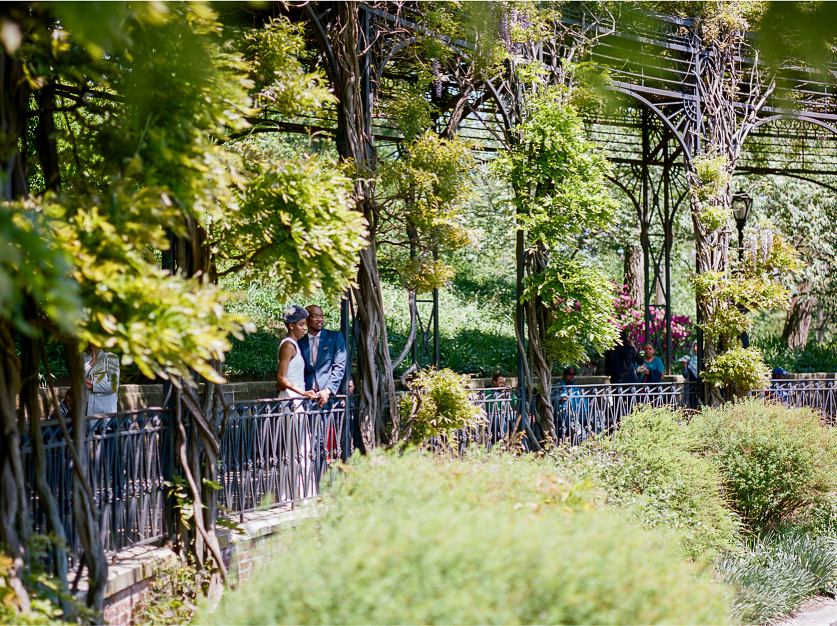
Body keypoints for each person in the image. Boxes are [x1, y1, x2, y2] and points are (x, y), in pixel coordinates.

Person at [298, 305, 347, 406]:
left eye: (322, 316)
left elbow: (339, 367)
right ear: (306, 319)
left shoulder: (335, 337)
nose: (320, 319)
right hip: (307, 398)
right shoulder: (300, 343)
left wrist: (327, 389)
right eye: (315, 316)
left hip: (329, 398)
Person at [276, 305, 318, 402]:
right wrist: (304, 392)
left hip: (296, 397)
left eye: (305, 324)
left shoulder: (294, 344)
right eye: (301, 325)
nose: (305, 328)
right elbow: (281, 378)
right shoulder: (288, 346)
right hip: (289, 398)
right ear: (291, 326)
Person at [554, 367, 589, 441]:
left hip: (582, 413)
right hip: (567, 414)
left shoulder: (578, 386)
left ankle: (600, 439)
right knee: (573, 422)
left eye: (573, 375)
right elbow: (553, 401)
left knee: (596, 414)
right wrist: (560, 399)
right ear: (563, 376)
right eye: (569, 375)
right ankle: (583, 440)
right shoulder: (558, 387)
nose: (572, 377)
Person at [83, 344, 120, 414]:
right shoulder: (82, 357)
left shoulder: (111, 358)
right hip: (82, 406)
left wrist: (93, 385)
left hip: (103, 411)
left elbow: (113, 386)